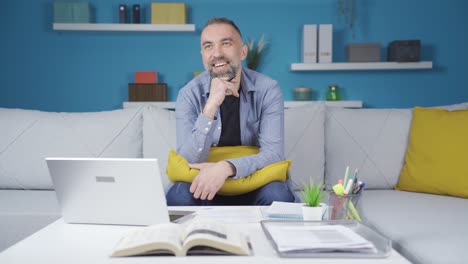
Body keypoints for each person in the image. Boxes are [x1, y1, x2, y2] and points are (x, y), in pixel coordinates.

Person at [165, 17, 295, 205]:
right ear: (203, 55)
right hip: (205, 185)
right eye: (208, 46)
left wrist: (227, 167)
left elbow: (274, 154)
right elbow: (186, 161)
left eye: (225, 43)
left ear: (242, 52)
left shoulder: (268, 89)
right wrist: (210, 107)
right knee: (177, 196)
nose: (217, 53)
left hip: (253, 183)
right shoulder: (188, 94)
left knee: (278, 196)